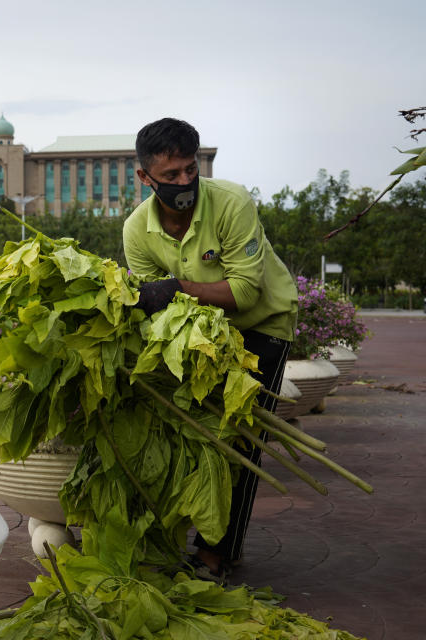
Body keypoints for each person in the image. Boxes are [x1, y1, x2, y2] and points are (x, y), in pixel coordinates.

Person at [122, 117, 298, 581]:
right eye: (171, 176)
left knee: (240, 438)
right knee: (187, 432)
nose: (184, 183)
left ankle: (216, 555)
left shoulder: (231, 202)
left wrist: (176, 286)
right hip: (203, 333)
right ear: (145, 177)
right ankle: (174, 537)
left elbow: (244, 292)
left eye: (189, 171)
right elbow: (153, 307)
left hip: (263, 323)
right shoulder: (136, 231)